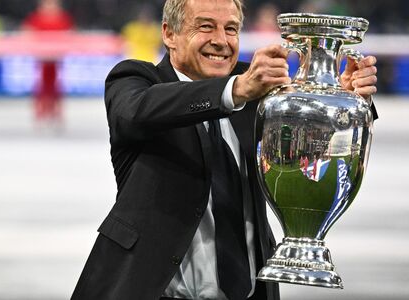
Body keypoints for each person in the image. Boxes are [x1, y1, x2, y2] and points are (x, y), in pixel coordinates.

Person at [71, 0, 379, 299]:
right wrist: (235, 90)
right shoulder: (136, 80)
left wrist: (341, 99)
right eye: (205, 27)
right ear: (169, 34)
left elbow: (307, 156)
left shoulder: (260, 91)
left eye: (231, 29)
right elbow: (134, 112)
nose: (221, 41)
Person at [22, 0, 74, 131]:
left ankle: (55, 113)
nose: (50, 7)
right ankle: (41, 112)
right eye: (47, 4)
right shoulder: (36, 18)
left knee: (56, 85)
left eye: (53, 4)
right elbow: (27, 32)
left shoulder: (63, 18)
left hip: (56, 58)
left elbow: (70, 34)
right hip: (42, 58)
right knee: (41, 85)